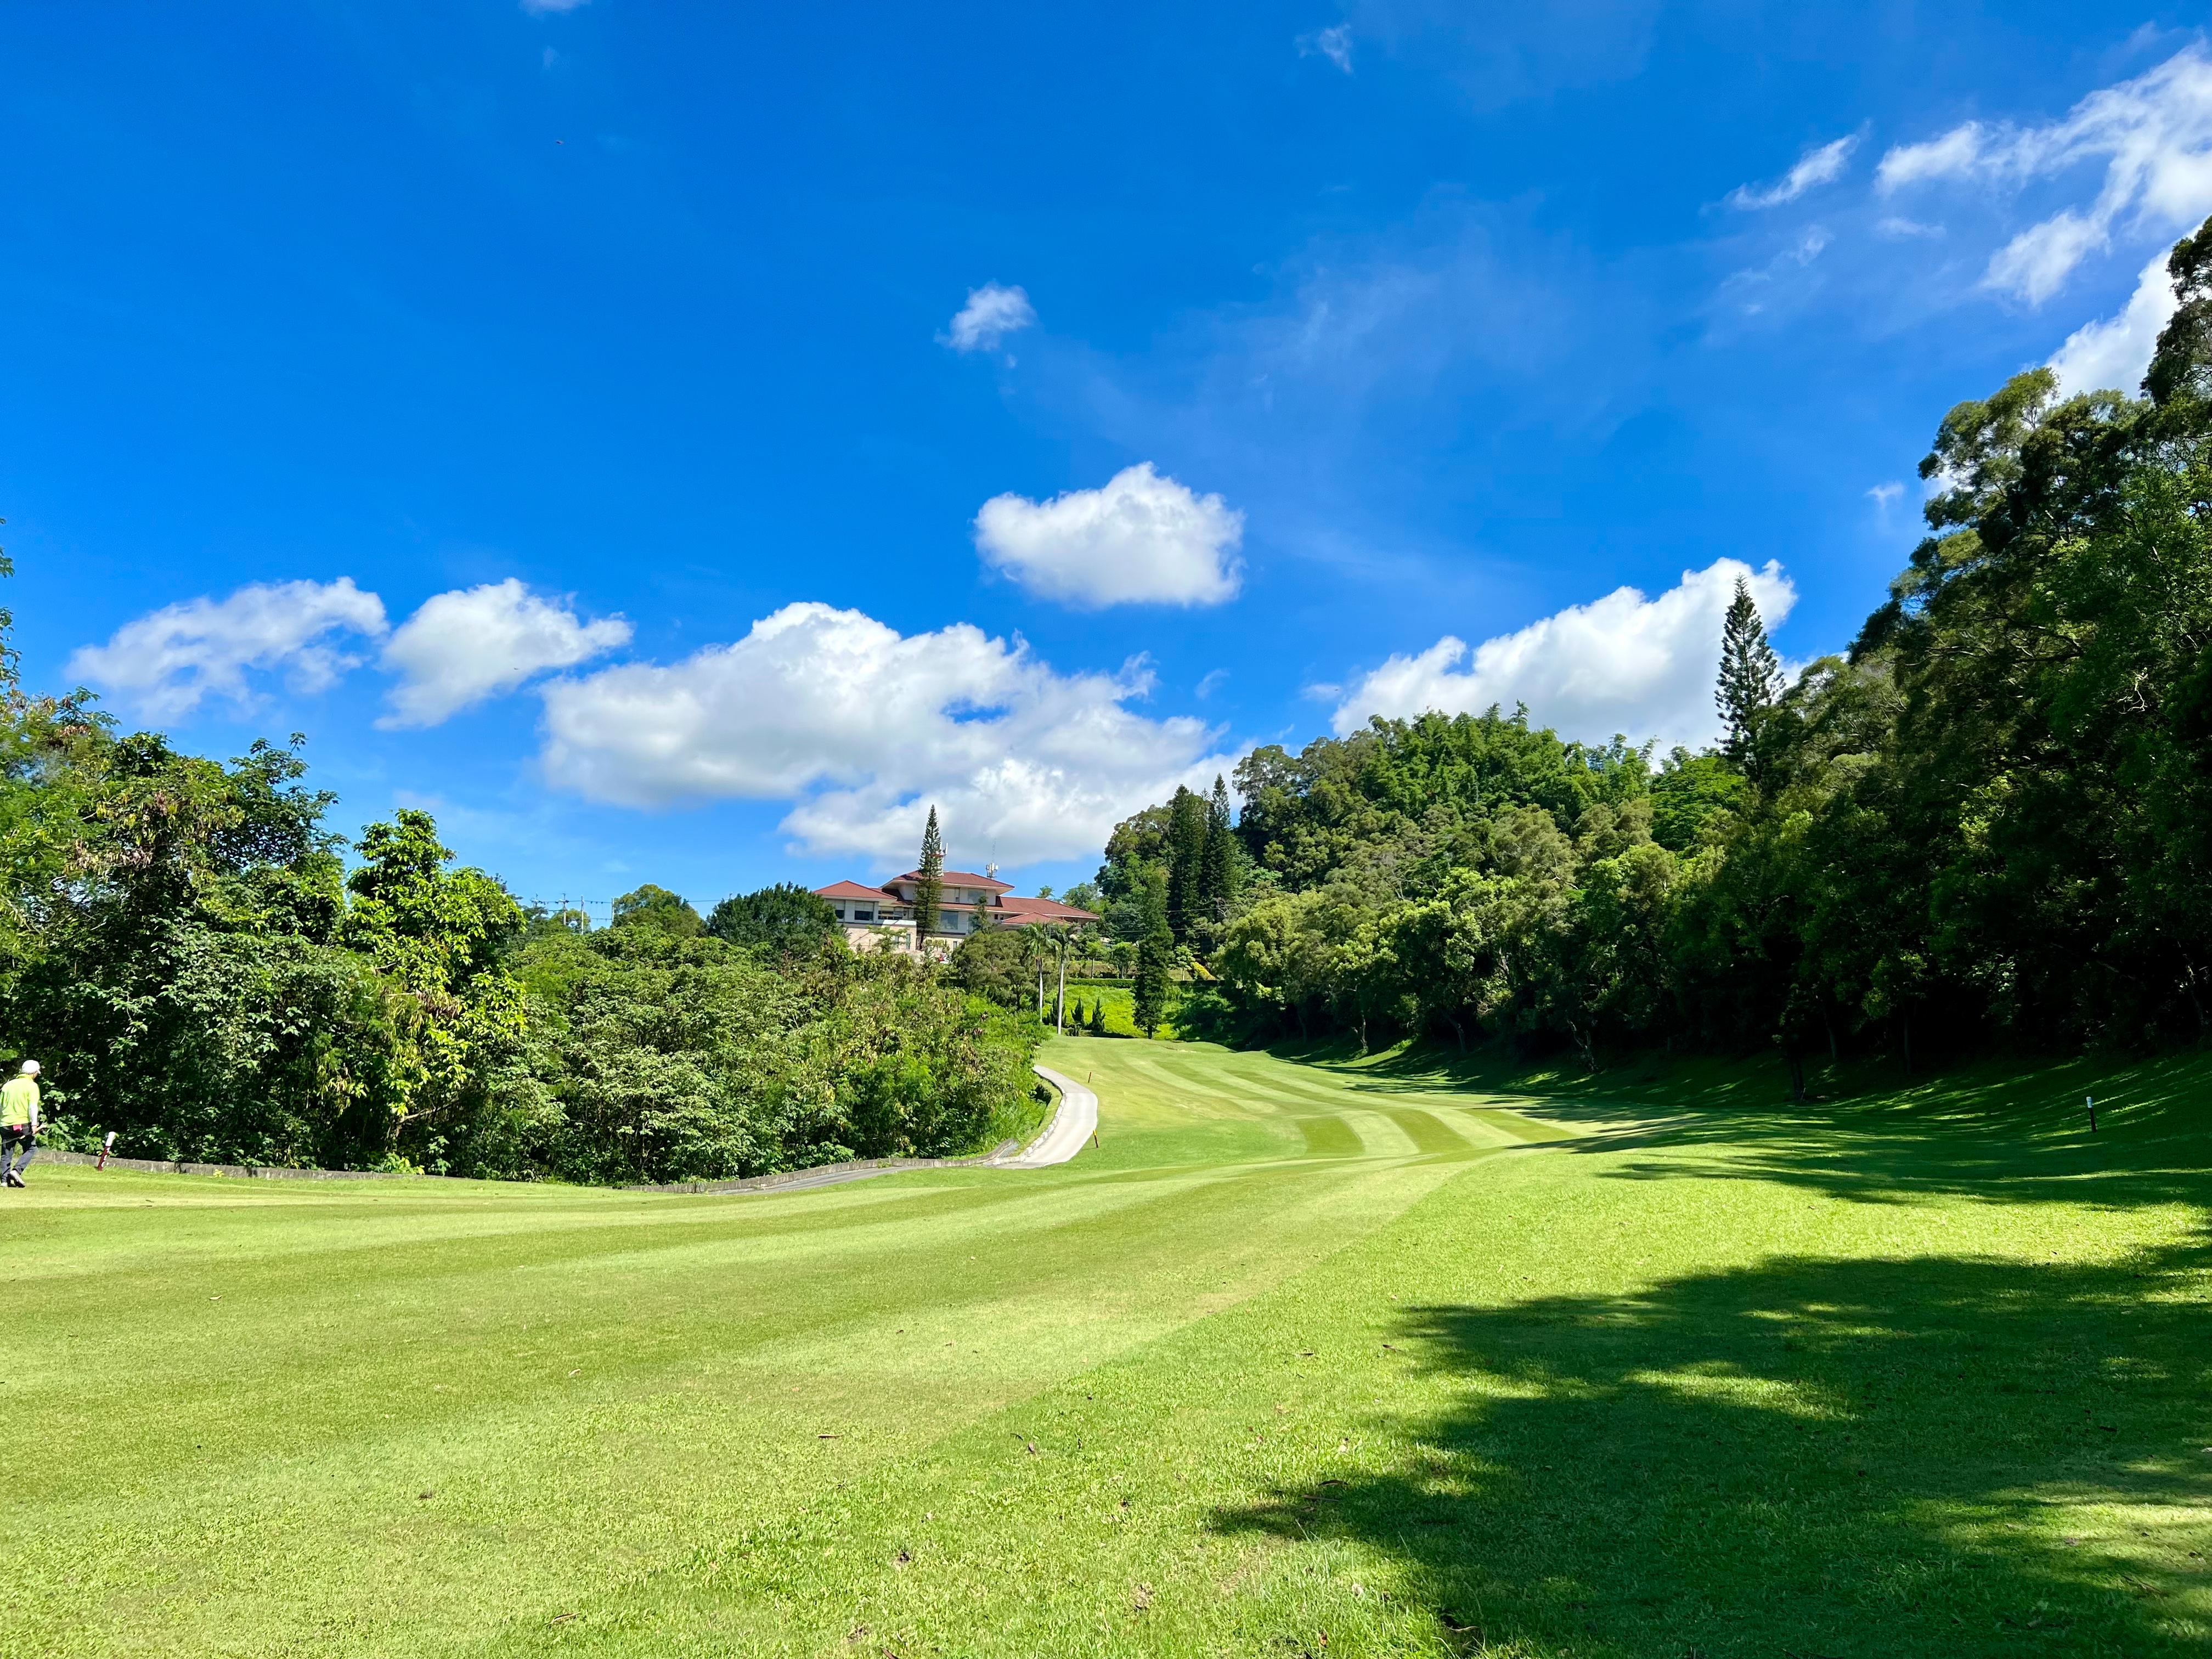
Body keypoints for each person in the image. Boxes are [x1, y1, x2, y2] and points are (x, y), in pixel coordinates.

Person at [1, 1059, 40, 1188]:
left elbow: (1, 1106)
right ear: (33, 1073)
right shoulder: (32, 1086)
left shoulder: (8, 1085)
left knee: (7, 1152)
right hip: (22, 1124)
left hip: (5, 1123)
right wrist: (34, 1125)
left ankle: (4, 1181)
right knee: (31, 1148)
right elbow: (33, 1107)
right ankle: (16, 1171)